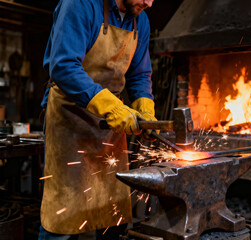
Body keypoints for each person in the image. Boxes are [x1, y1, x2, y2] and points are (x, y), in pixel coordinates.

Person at [38, 0, 156, 239]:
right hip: (71, 119)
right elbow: (63, 67)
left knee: (110, 214)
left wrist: (145, 109)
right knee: (63, 216)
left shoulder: (140, 20)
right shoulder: (80, 4)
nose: (149, 3)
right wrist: (110, 107)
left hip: (111, 126)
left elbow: (139, 75)